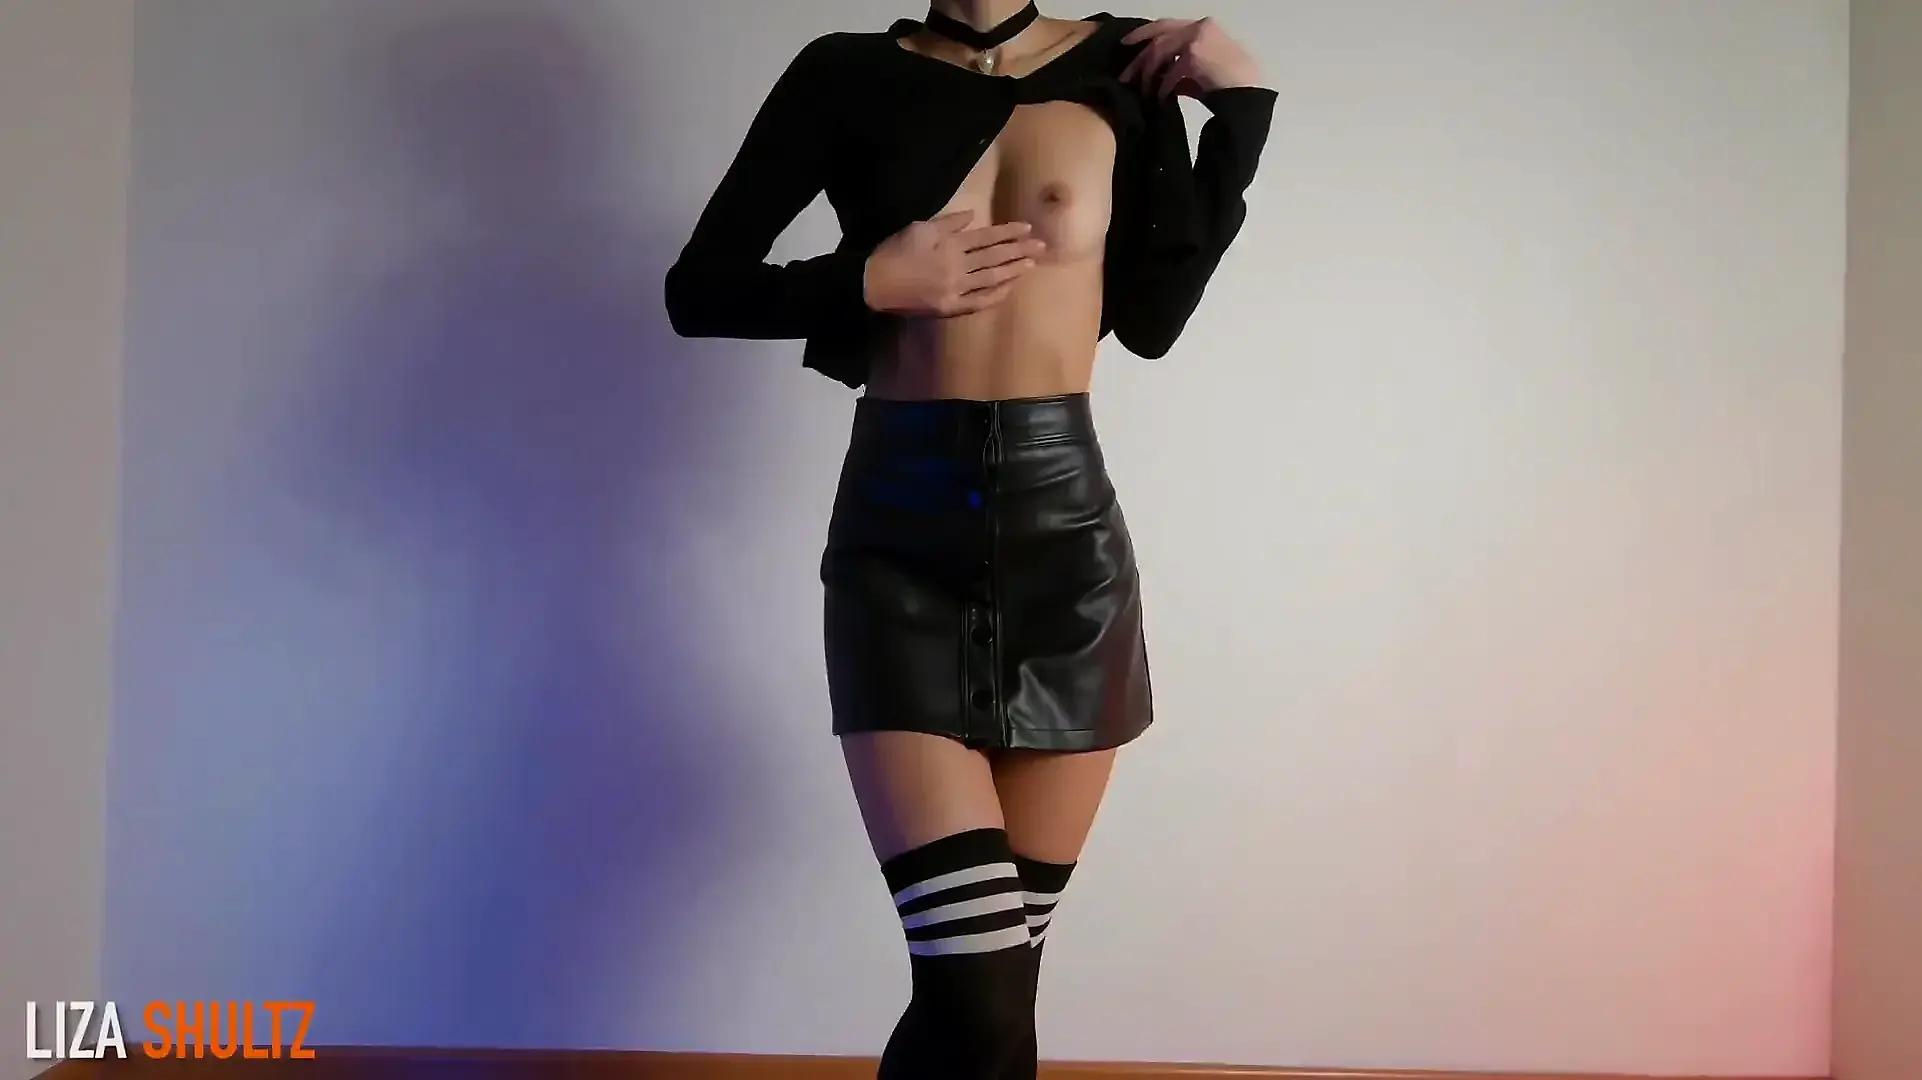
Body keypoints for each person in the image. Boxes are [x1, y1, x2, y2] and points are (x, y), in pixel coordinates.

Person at [665, 3, 1272, 1076]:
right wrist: (865, 280)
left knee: (993, 1000)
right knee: (976, 991)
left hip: (1064, 547)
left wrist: (1241, 116)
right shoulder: (844, 73)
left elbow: (1152, 318)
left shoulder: (1120, 71)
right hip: (900, 537)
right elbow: (699, 289)